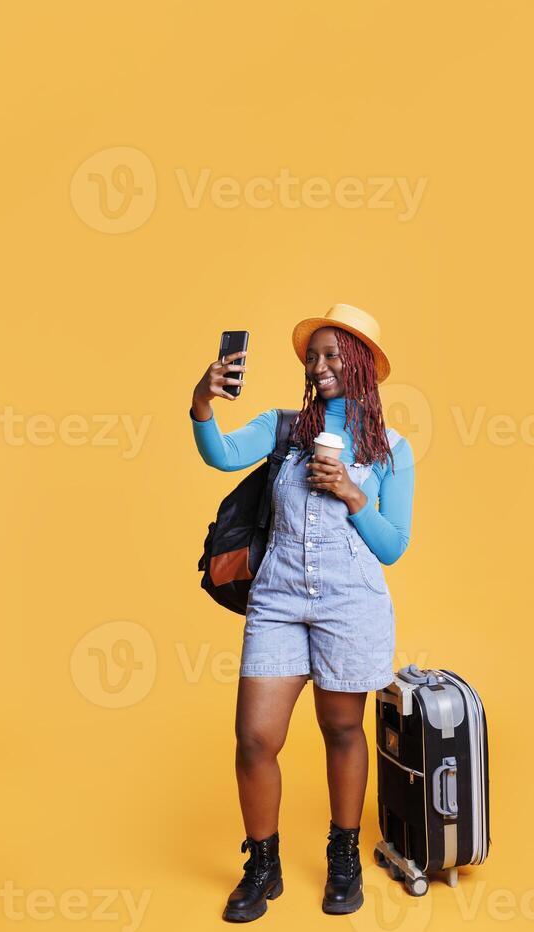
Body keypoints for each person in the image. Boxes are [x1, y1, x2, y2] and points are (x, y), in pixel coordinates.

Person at [190, 303, 415, 921]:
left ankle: (343, 859)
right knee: (255, 738)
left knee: (342, 730)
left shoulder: (392, 450)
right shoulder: (283, 427)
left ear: (362, 365)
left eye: (331, 354)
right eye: (311, 356)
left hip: (351, 605)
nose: (317, 366)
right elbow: (222, 455)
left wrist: (350, 490)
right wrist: (202, 405)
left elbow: (393, 545)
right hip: (280, 601)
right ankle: (263, 864)